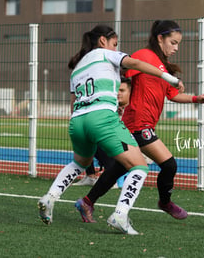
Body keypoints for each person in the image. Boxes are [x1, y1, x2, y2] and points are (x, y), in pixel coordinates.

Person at [37, 24, 183, 235]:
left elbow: (73, 102)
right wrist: (168, 77)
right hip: (102, 117)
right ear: (103, 41)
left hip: (77, 121)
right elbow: (135, 63)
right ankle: (120, 215)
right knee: (139, 166)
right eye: (115, 44)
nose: (116, 49)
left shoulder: (77, 67)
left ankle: (49, 198)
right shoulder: (106, 54)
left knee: (80, 163)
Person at [75, 20, 204, 223]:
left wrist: (195, 99)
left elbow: (172, 95)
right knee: (169, 165)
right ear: (160, 38)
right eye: (173, 42)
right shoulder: (144, 56)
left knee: (117, 169)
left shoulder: (163, 67)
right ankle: (165, 202)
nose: (176, 48)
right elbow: (122, 76)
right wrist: (113, 100)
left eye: (178, 44)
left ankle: (87, 202)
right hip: (138, 124)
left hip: (140, 125)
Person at [72, 77, 132, 187]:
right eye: (117, 90)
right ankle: (90, 176)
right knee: (87, 135)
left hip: (132, 147)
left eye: (122, 90)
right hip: (114, 145)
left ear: (130, 92)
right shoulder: (109, 106)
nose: (118, 93)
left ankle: (111, 176)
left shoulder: (134, 108)